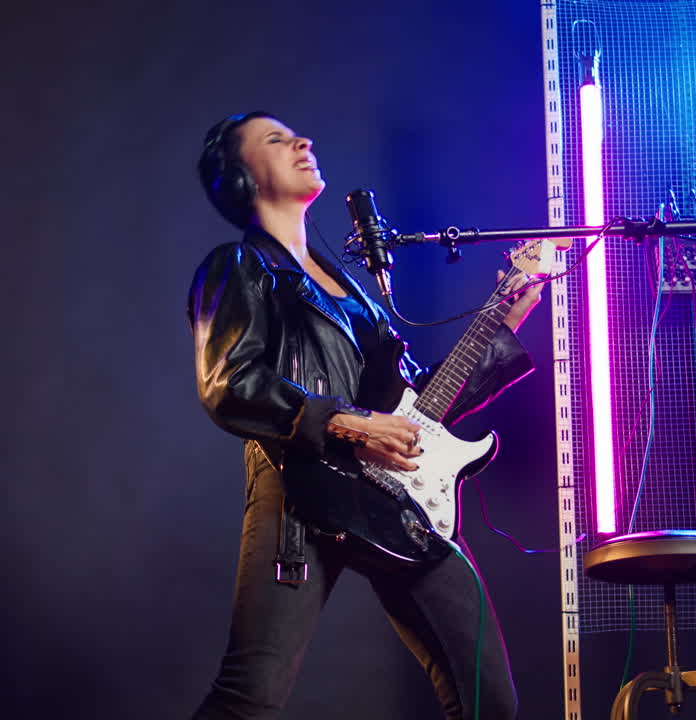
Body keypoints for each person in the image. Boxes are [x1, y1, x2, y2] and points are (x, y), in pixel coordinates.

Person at [187, 112, 543, 720]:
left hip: (393, 500)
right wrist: (347, 424)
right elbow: (230, 383)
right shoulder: (241, 267)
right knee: (250, 698)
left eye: (297, 133)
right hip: (297, 488)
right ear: (243, 178)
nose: (302, 141)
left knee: (491, 703)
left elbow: (418, 410)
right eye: (275, 140)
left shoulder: (356, 293)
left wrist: (505, 315)